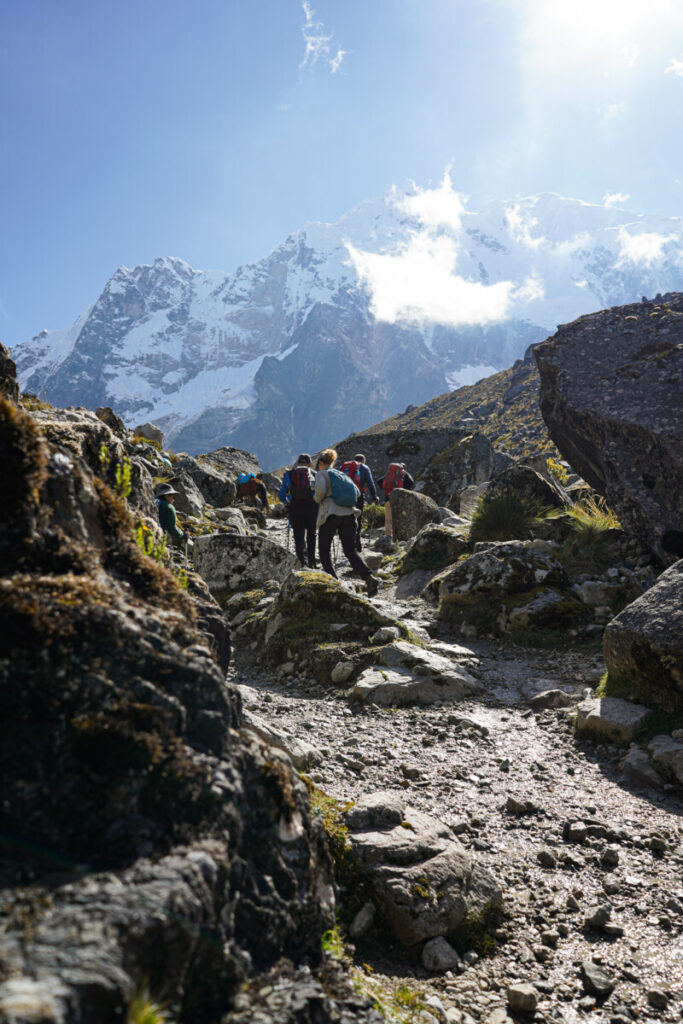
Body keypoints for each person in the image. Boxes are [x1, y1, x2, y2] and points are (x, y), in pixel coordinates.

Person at [314, 448, 380, 596]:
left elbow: (319, 493)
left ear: (321, 463)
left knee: (324, 550)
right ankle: (369, 577)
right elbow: (357, 492)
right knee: (350, 550)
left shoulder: (322, 474)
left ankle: (334, 583)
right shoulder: (342, 474)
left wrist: (317, 499)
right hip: (350, 514)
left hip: (330, 514)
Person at [279, 453, 318, 568]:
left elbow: (282, 495)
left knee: (298, 536)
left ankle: (302, 563)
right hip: (312, 508)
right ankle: (312, 563)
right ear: (310, 464)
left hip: (295, 508)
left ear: (298, 463)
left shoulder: (290, 474)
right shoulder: (315, 475)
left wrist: (288, 503)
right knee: (311, 535)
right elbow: (318, 494)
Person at [342, 452, 378, 552]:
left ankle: (347, 545)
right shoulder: (365, 468)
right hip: (358, 496)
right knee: (358, 519)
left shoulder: (345, 467)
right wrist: (375, 497)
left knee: (346, 519)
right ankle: (357, 544)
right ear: (363, 460)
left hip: (345, 497)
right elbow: (370, 484)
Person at [377, 462, 415, 539]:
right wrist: (404, 490)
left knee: (388, 518)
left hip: (388, 498)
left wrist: (386, 489)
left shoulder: (390, 474)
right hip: (401, 500)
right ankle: (400, 536)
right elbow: (411, 483)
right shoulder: (404, 474)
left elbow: (379, 481)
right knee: (401, 517)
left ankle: (388, 535)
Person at [155, 482, 189, 546]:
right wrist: (183, 536)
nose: (174, 500)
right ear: (166, 495)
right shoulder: (169, 507)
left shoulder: (154, 502)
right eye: (173, 497)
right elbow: (171, 527)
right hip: (159, 536)